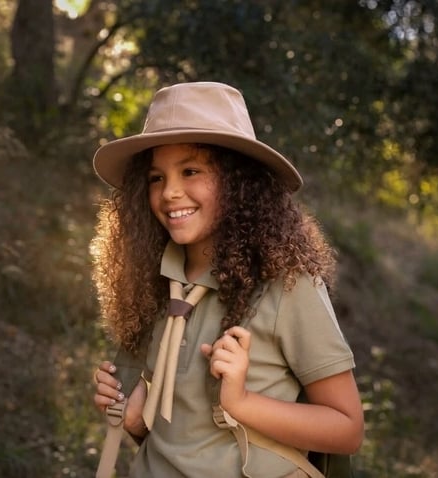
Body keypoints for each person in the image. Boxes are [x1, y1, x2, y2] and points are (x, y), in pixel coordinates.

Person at [90, 81, 363, 477]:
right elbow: (182, 440)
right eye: (156, 178)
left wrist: (242, 402)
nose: (170, 192)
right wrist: (134, 419)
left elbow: (348, 429)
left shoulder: (287, 284)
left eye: (191, 171)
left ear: (239, 184)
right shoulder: (152, 283)